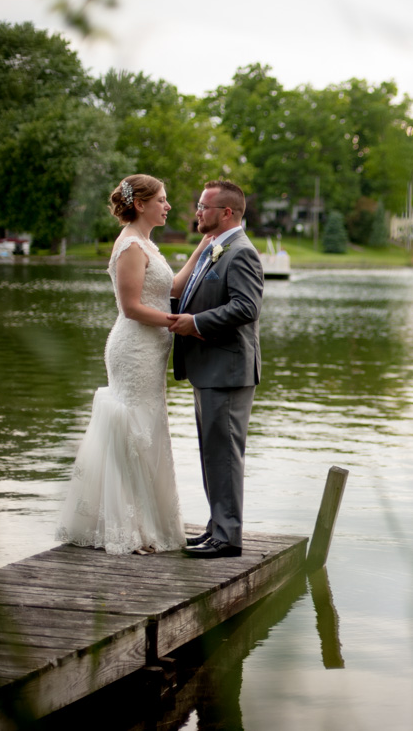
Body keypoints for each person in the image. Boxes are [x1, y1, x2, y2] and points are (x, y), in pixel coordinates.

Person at [56, 174, 213, 554]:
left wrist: (203, 247)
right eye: (161, 199)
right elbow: (131, 308)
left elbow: (170, 289)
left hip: (151, 350)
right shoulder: (128, 245)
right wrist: (181, 326)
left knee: (148, 428)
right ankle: (127, 527)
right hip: (133, 349)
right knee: (134, 429)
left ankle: (144, 522)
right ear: (140, 204)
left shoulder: (146, 243)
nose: (168, 206)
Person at [168, 180, 264, 559]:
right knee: (214, 454)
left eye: (203, 206)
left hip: (227, 370)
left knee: (224, 456)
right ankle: (216, 528)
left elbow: (246, 308)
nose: (197, 211)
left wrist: (196, 322)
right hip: (209, 369)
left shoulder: (240, 252)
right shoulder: (215, 247)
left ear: (226, 213)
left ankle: (228, 539)